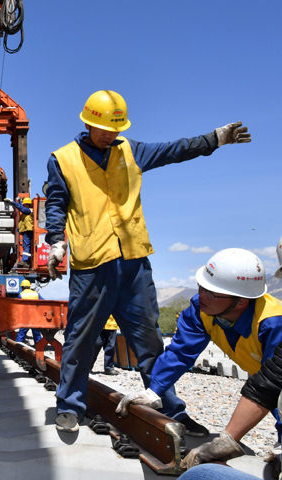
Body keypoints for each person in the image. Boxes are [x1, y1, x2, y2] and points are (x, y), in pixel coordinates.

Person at [45, 89, 251, 433]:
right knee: (81, 337)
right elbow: (55, 203)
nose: (111, 135)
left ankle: (169, 408)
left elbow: (174, 150)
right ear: (88, 122)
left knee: (149, 339)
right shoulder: (63, 159)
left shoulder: (130, 150)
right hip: (92, 265)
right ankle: (69, 405)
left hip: (134, 263)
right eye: (105, 129)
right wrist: (55, 241)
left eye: (116, 129)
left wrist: (214, 139)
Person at [116, 249, 282, 441]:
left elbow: (273, 384)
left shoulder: (272, 325)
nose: (201, 295)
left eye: (211, 293)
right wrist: (154, 391)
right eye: (200, 287)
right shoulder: (201, 310)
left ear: (241, 302)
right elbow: (180, 353)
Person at [6, 197, 33, 268]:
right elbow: (22, 208)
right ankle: (25, 260)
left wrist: (13, 202)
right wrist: (20, 201)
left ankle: (25, 260)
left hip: (28, 230)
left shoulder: (29, 211)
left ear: (26, 204)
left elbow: (22, 209)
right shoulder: (28, 210)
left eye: (24, 204)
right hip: (26, 230)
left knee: (26, 246)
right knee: (26, 245)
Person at [15, 280, 43, 345]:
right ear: (29, 286)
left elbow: (18, 307)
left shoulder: (21, 295)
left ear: (22, 287)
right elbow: (43, 303)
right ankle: (39, 348)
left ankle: (18, 346)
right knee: (37, 334)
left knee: (22, 333)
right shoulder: (36, 294)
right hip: (35, 317)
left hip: (26, 317)